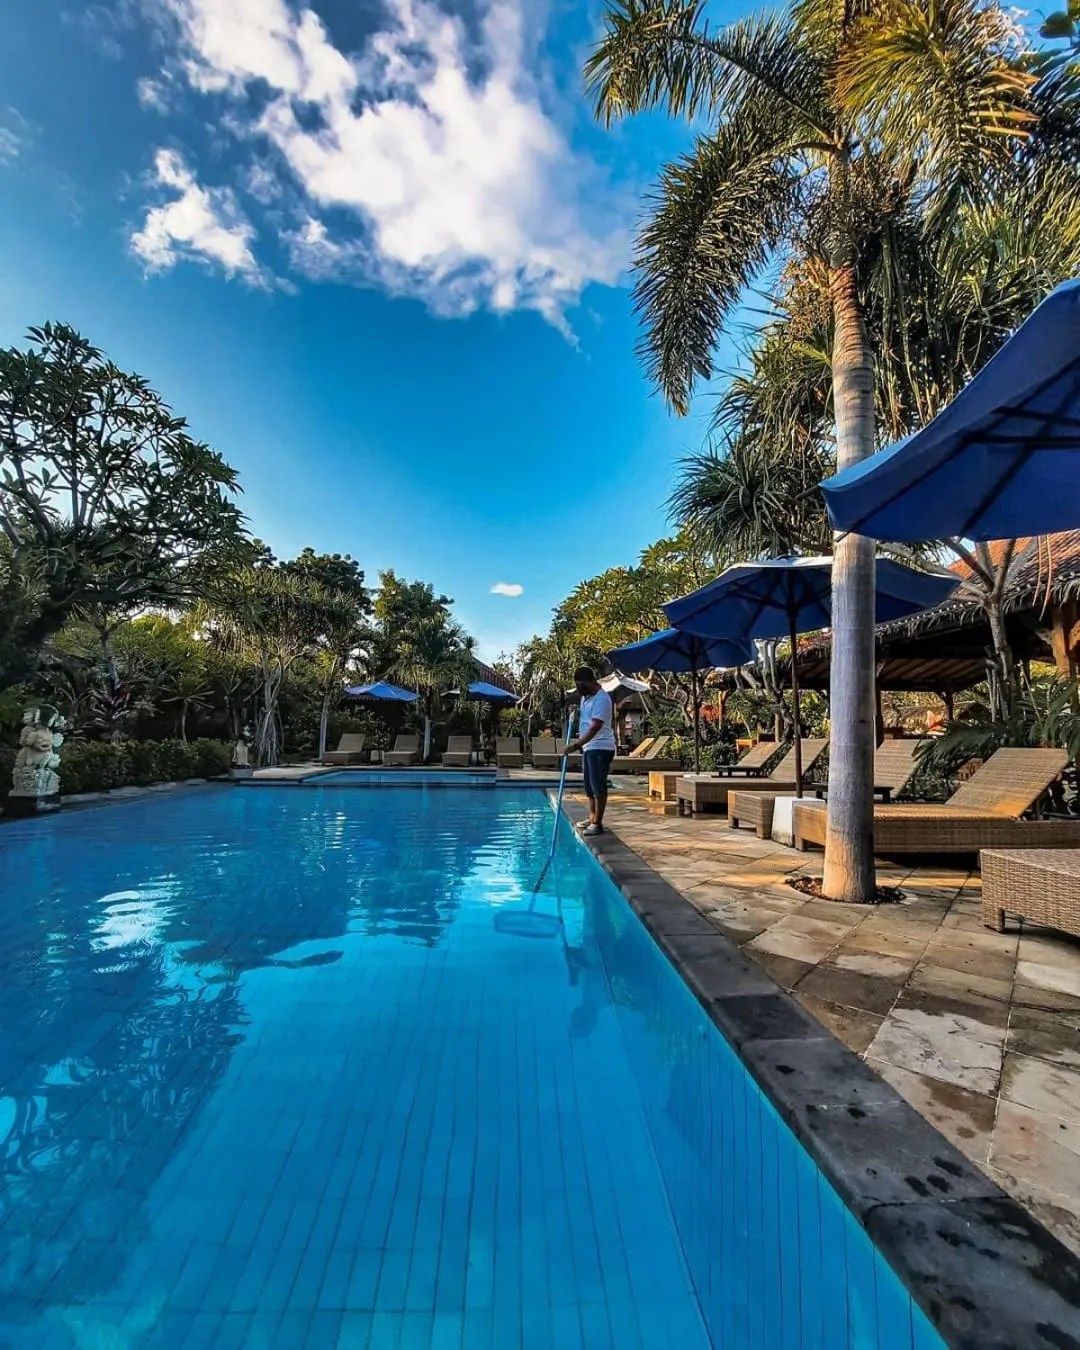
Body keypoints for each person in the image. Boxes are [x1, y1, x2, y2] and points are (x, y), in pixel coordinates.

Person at [566, 666, 616, 836]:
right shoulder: (585, 698)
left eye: (579, 685)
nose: (578, 689)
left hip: (600, 746)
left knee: (598, 785)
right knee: (589, 786)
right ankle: (592, 817)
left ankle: (597, 823)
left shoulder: (602, 699)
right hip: (589, 747)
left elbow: (595, 727)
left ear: (588, 682)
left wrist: (576, 744)